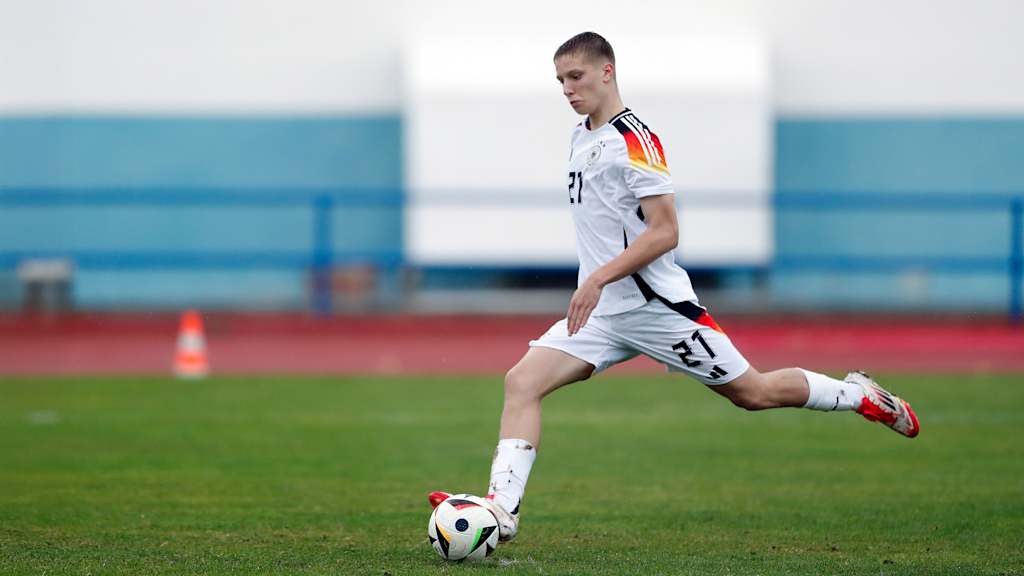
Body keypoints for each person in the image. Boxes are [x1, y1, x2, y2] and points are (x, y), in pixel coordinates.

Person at [429, 31, 919, 544]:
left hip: (657, 309)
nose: (567, 89)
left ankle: (858, 394)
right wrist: (597, 285)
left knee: (753, 392)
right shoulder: (581, 136)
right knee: (521, 382)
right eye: (560, 81)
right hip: (604, 314)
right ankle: (502, 512)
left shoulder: (636, 140)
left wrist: (597, 277)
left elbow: (666, 231)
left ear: (606, 71)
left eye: (575, 77)